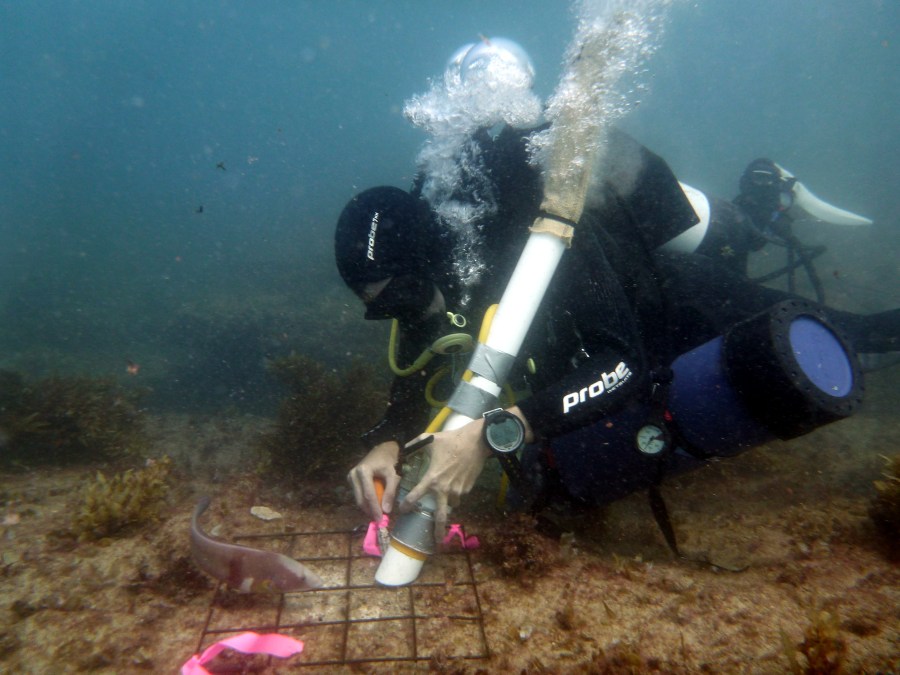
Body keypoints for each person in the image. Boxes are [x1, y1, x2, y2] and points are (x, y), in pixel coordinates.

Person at [334, 121, 900, 543]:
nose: (404, 314)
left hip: (675, 302)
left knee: (861, 339)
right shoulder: (438, 281)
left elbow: (621, 366)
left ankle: (768, 195)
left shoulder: (540, 236)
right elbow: (417, 376)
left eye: (403, 296)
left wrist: (491, 434)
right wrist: (386, 442)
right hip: (611, 323)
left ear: (427, 257)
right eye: (382, 308)